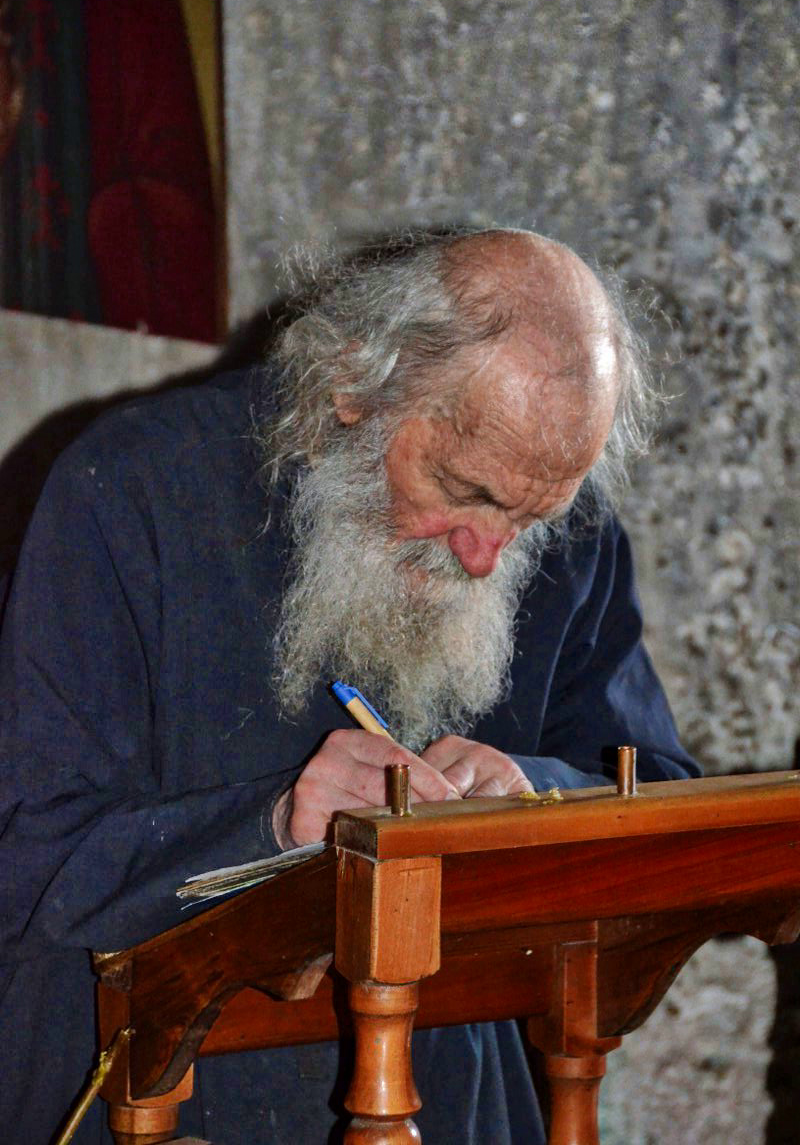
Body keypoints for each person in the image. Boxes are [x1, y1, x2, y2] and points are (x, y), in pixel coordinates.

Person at [0, 227, 699, 1144]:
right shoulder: (131, 490)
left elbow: (657, 794)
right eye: (463, 489)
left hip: (447, 1095)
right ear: (353, 388)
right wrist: (275, 825)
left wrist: (531, 799)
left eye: (532, 516)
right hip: (156, 1088)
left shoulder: (567, 530)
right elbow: (29, 853)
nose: (488, 557)